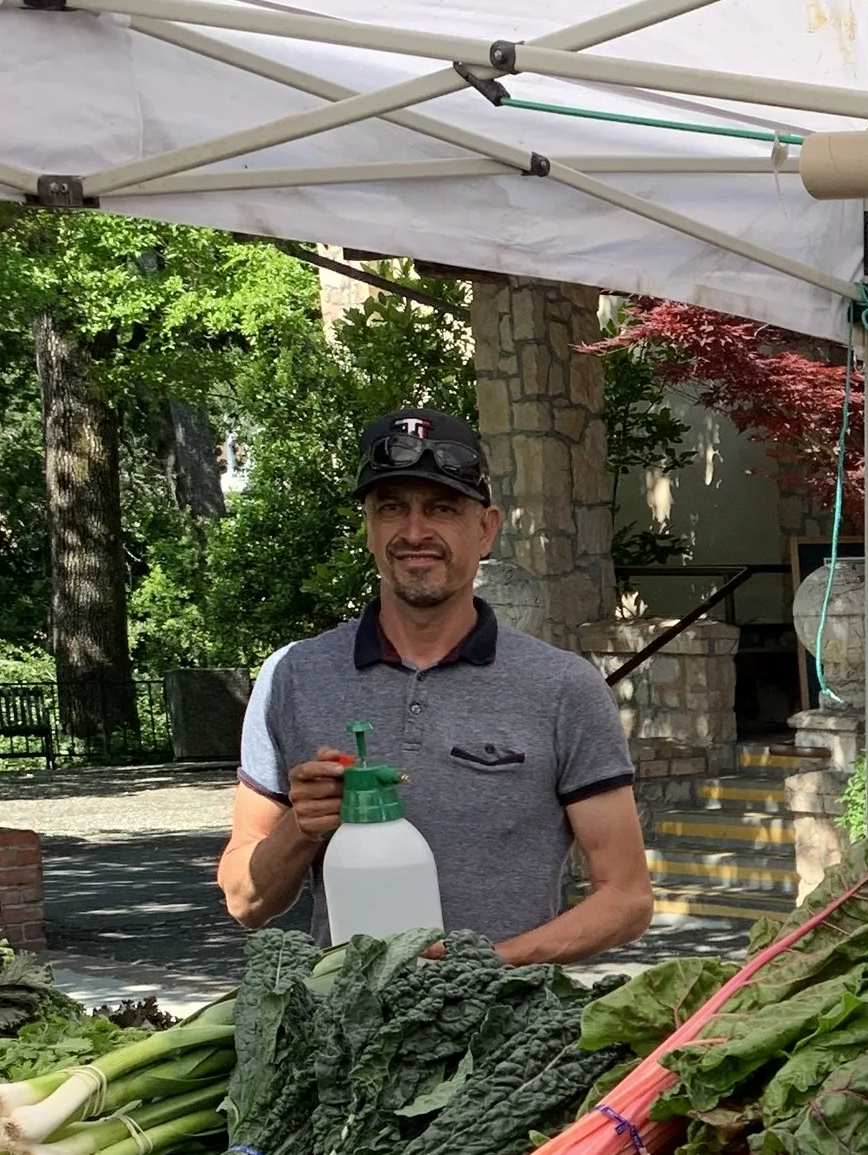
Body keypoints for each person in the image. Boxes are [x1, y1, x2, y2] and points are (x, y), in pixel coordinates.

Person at [219, 407, 655, 961]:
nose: (415, 531)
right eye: (391, 509)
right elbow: (244, 902)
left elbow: (627, 897)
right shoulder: (294, 676)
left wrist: (483, 968)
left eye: (443, 508)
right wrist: (299, 829)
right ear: (370, 530)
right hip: (344, 1036)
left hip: (508, 1033)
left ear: (486, 529)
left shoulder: (562, 687)